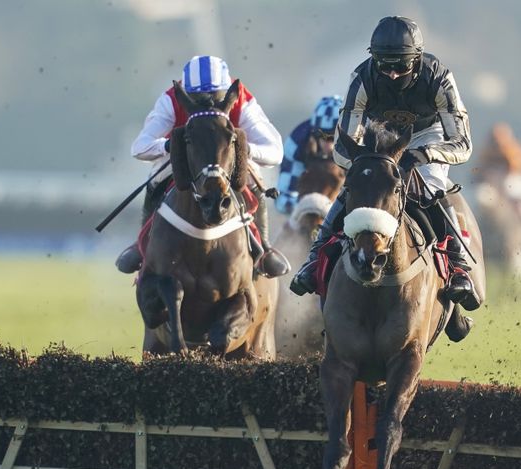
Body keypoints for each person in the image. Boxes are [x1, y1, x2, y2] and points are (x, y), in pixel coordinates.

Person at [289, 16, 480, 312]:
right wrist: (363, 162)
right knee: (356, 188)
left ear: (416, 60)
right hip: (379, 138)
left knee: (430, 188)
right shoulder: (362, 77)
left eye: (401, 66)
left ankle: (458, 268)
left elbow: (463, 144)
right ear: (373, 59)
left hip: (427, 139)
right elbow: (342, 145)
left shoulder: (439, 77)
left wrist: (428, 154)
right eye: (384, 65)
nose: (391, 74)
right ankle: (314, 261)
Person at [117, 55, 290, 277]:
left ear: (227, 92)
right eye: (197, 98)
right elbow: (139, 147)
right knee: (157, 176)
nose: (207, 103)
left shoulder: (243, 100)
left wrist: (242, 150)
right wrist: (171, 145)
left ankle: (264, 248)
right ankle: (143, 243)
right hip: (188, 159)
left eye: (215, 96)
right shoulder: (170, 100)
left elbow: (274, 152)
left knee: (253, 175)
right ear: (186, 93)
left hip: (226, 161)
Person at [275, 95, 344, 215]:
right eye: (323, 137)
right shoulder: (297, 143)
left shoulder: (359, 144)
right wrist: (311, 209)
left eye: (334, 138)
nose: (329, 146)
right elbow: (283, 199)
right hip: (306, 209)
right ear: (314, 134)